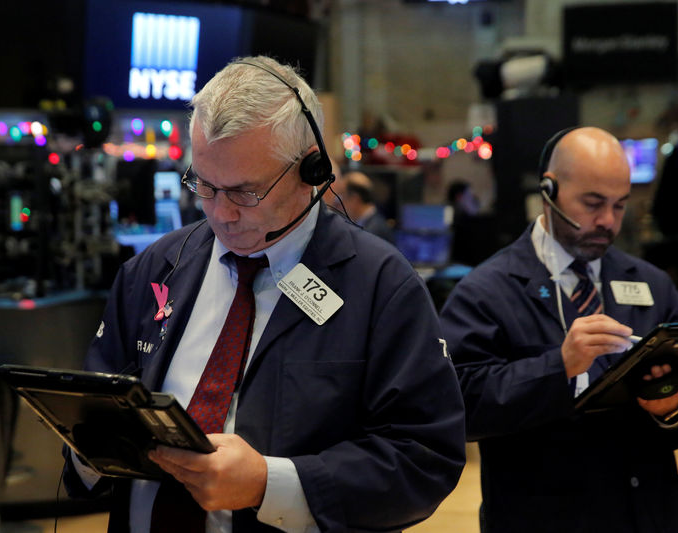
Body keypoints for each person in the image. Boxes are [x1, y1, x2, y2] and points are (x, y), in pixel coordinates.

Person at [62, 56, 466, 533]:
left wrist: (271, 485)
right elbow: (93, 420)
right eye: (205, 186)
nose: (221, 215)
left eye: (245, 192)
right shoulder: (154, 269)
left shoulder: (381, 286)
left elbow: (423, 459)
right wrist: (87, 447)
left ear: (312, 171)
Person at [440, 126, 678, 533]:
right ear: (549, 190)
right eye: (593, 204)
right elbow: (457, 404)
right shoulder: (487, 290)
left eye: (620, 206)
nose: (607, 221)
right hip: (539, 516)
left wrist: (674, 407)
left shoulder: (650, 283)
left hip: (647, 513)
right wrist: (558, 367)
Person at [330, 171, 394, 243]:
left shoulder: (373, 231)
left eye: (341, 197)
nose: (337, 204)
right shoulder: (370, 223)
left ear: (355, 199)